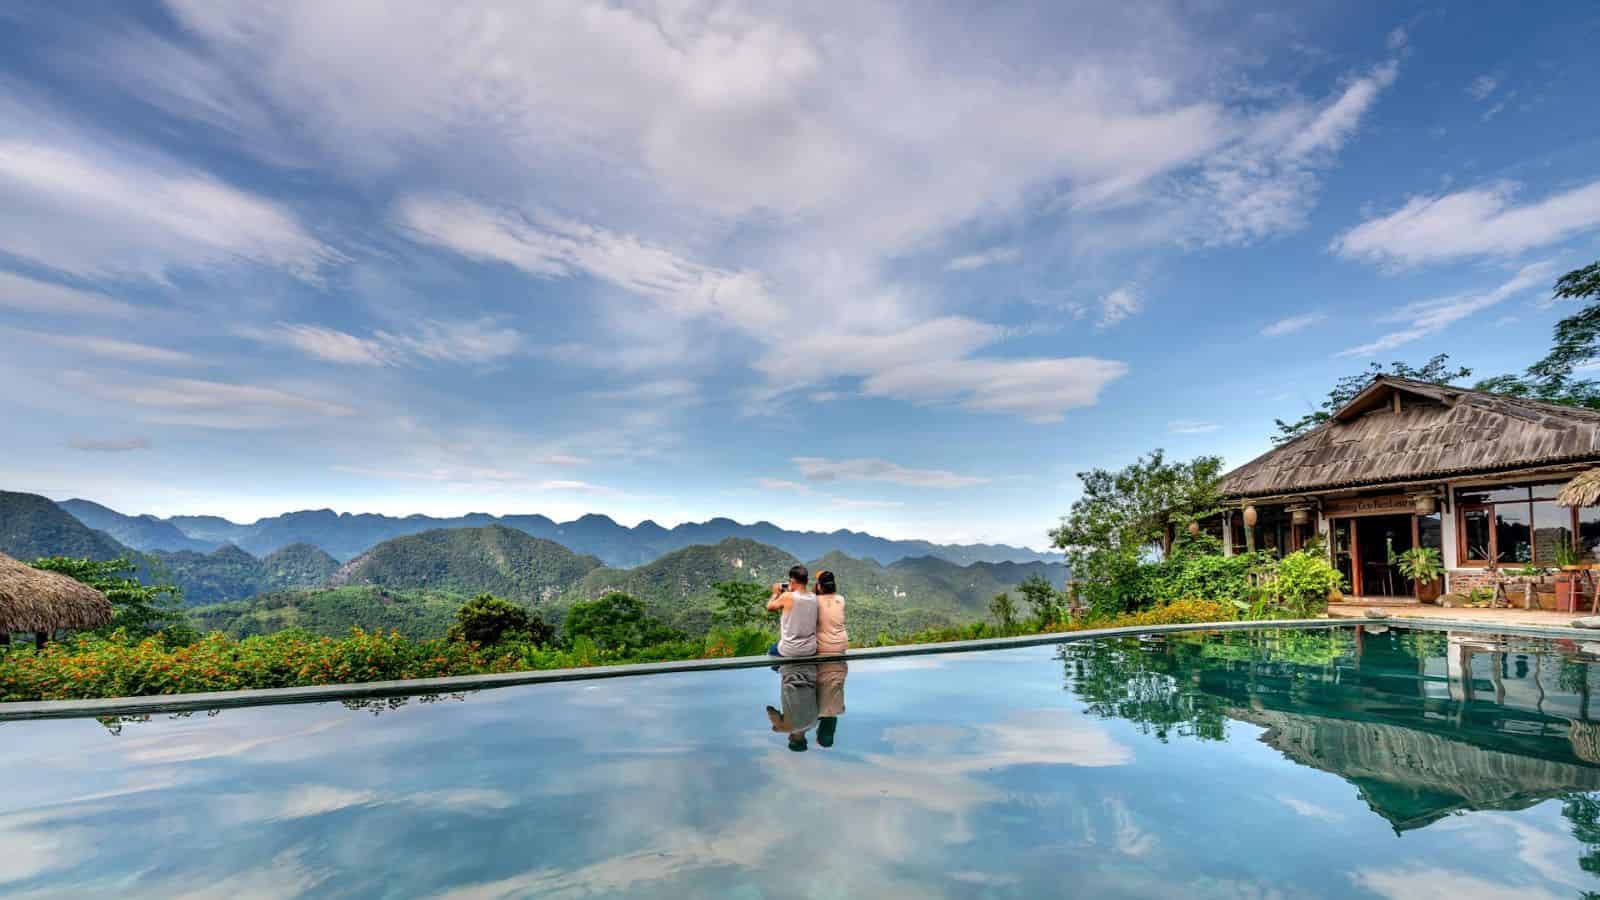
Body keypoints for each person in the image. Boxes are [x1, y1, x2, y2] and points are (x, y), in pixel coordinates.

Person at [766, 662, 819, 752]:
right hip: (789, 669)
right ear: (791, 740)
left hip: (811, 669)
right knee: (771, 659)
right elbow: (770, 710)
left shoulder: (814, 723)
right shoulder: (786, 728)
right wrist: (777, 726)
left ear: (804, 740)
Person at [766, 564, 817, 658]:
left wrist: (775, 594)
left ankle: (784, 670)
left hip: (790, 650)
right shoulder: (814, 597)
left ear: (792, 581)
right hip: (810, 649)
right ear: (806, 581)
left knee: (771, 652)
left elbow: (769, 607)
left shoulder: (787, 596)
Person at [814, 569, 847, 656]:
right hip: (841, 646)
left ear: (819, 586)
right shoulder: (841, 599)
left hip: (823, 647)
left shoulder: (815, 601)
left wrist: (816, 588)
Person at [815, 660, 847, 749]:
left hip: (841, 668)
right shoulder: (816, 711)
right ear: (819, 731)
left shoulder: (841, 710)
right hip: (822, 668)